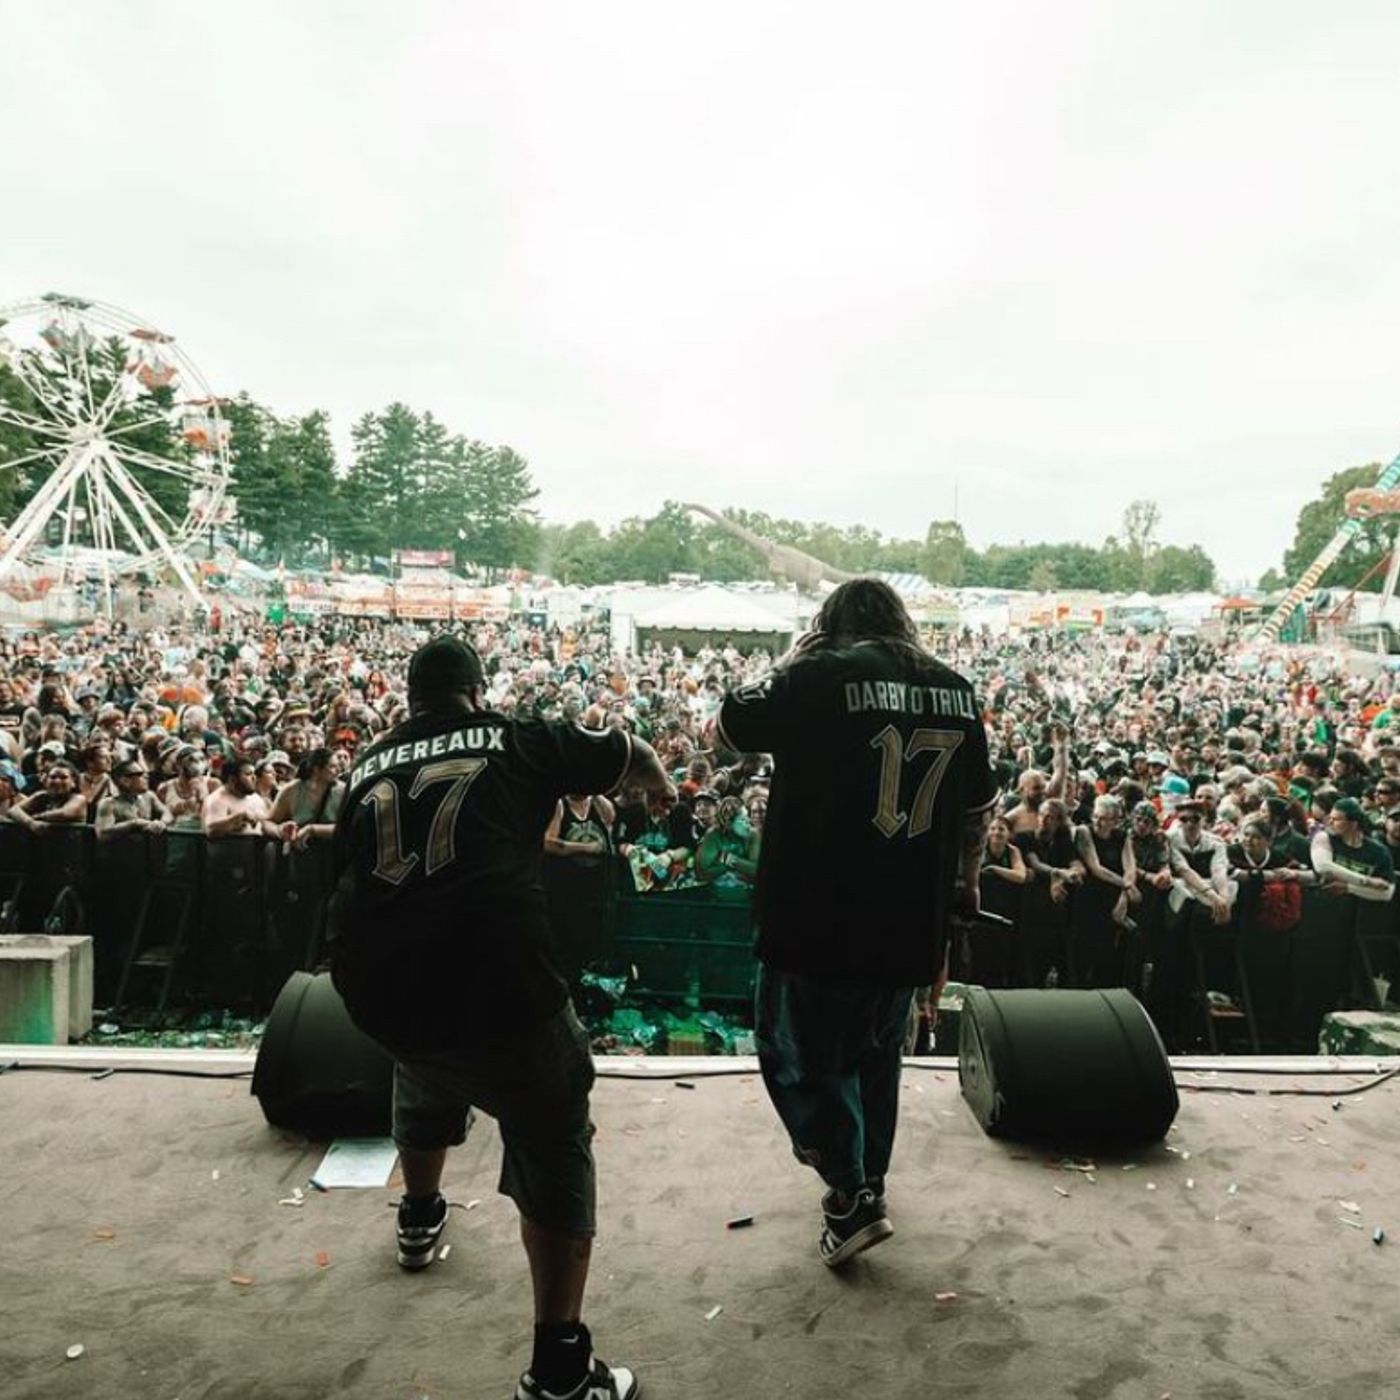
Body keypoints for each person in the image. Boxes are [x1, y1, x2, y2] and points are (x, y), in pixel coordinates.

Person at [329, 635, 674, 1400]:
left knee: (425, 1060)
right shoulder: (516, 736)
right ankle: (559, 1371)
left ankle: (419, 1215)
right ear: (476, 691)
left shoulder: (364, 768)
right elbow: (629, 749)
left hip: (382, 987)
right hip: (497, 976)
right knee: (553, 1133)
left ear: (411, 698)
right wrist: (658, 784)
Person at [717, 578, 996, 1268]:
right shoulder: (956, 689)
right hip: (911, 915)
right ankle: (866, 1182)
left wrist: (795, 658)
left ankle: (849, 1194)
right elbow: (976, 811)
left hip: (818, 911)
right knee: (876, 1056)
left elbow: (727, 729)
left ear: (831, 622)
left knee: (797, 1057)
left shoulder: (818, 672)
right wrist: (963, 888)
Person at [96, 758, 172, 840]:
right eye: (140, 774)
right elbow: (102, 833)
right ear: (125, 781)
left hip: (145, 850)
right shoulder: (108, 803)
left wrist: (162, 823)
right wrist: (134, 823)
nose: (146, 776)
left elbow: (167, 812)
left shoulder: (149, 796)